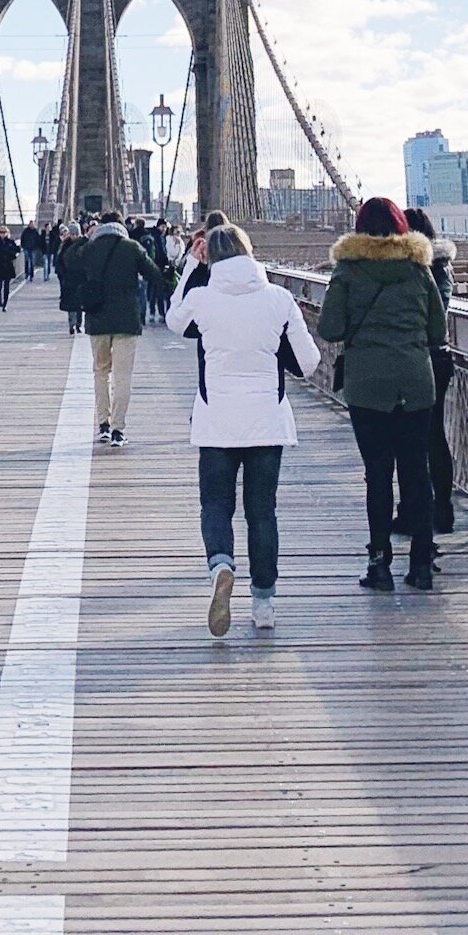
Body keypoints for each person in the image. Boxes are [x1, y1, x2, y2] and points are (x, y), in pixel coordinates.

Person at [168, 223, 320, 636]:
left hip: (216, 421)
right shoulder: (279, 299)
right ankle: (264, 603)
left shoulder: (201, 298)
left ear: (210, 257)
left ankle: (220, 563)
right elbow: (308, 364)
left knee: (216, 506)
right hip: (266, 423)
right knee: (262, 512)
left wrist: (188, 268)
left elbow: (174, 322)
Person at [318, 197, 445, 593]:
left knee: (378, 474)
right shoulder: (419, 270)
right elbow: (438, 332)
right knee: (416, 470)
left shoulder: (348, 271)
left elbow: (330, 329)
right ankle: (421, 564)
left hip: (367, 386)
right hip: (415, 382)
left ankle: (379, 565)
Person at [78, 209, 170, 447]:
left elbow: (70, 264)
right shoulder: (132, 248)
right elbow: (155, 275)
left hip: (97, 320)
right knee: (122, 376)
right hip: (127, 321)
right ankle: (118, 429)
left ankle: (103, 425)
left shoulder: (90, 248)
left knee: (100, 372)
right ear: (122, 226)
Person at [402, 205, 457, 537]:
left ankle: (416, 512)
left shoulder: (418, 268)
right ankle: (442, 511)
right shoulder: (443, 266)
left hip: (416, 359)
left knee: (412, 441)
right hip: (440, 358)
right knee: (434, 436)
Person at [56, 220, 87, 333]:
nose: (74, 236)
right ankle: (71, 325)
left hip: (80, 278)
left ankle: (78, 324)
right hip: (69, 278)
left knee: (79, 304)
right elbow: (59, 261)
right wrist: (62, 275)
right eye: (72, 234)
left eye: (75, 234)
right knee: (71, 304)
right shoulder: (65, 244)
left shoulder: (84, 243)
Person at [0, 227, 19, 312]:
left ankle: (4, 304)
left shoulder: (10, 242)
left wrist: (11, 253)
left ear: (7, 233)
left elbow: (17, 250)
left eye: (4, 232)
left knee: (6, 287)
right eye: (1, 232)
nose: (2, 234)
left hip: (7, 266)